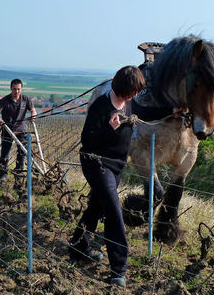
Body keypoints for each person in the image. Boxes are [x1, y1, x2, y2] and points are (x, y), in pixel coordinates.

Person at [69, 66, 146, 287]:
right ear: (123, 88)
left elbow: (148, 114)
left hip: (117, 165)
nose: (135, 95)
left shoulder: (131, 104)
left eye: (137, 91)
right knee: (113, 209)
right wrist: (109, 130)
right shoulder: (100, 107)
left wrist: (175, 113)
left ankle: (78, 246)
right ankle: (119, 269)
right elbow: (88, 140)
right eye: (133, 91)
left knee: (98, 206)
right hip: (96, 162)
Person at [0, 79, 37, 182]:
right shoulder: (5, 100)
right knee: (5, 153)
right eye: (14, 89)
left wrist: (33, 116)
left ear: (21, 89)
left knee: (22, 152)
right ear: (11, 88)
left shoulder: (25, 99)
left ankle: (19, 173)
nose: (16, 91)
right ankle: (3, 174)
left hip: (21, 130)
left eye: (18, 89)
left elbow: (33, 110)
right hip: (7, 129)